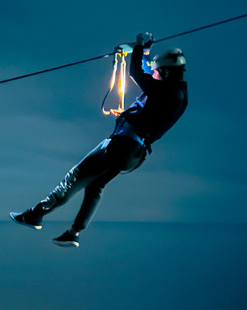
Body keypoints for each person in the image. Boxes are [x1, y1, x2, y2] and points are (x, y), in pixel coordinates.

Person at [10, 32, 188, 247]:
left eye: (158, 71)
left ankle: (34, 215)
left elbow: (136, 73)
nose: (155, 74)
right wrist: (145, 54)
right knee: (96, 186)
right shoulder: (178, 95)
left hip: (121, 146)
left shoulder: (164, 91)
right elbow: (149, 75)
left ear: (167, 72)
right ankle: (74, 233)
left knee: (74, 177)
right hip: (134, 155)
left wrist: (140, 46)